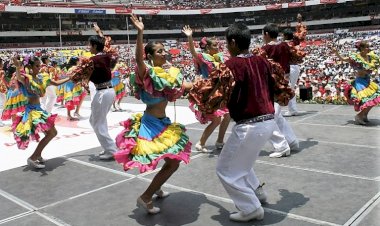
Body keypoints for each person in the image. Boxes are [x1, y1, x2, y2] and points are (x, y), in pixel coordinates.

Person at [113, 15, 192, 214]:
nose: (164, 54)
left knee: (168, 160)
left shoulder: (168, 74)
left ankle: (155, 188)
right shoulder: (145, 73)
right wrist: (140, 32)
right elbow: (138, 59)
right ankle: (146, 196)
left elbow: (185, 86)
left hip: (162, 123)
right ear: (150, 56)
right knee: (173, 163)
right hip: (151, 125)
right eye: (159, 52)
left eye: (164, 50)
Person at [216, 22, 290, 222]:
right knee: (244, 163)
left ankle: (250, 208)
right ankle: (257, 192)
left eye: (226, 43)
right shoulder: (263, 61)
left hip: (249, 125)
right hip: (268, 121)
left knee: (224, 169)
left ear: (232, 42)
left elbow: (216, 92)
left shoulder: (231, 65)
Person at [12, 56, 70, 169]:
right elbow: (19, 77)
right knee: (52, 133)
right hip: (33, 111)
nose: (40, 68)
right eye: (37, 66)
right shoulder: (27, 79)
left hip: (38, 109)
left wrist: (70, 78)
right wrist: (18, 67)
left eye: (40, 65)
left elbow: (56, 83)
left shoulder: (41, 78)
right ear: (30, 67)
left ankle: (37, 155)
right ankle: (33, 157)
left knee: (50, 133)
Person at [182, 25, 230, 153]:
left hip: (221, 90)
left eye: (217, 45)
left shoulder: (221, 57)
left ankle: (220, 141)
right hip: (209, 92)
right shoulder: (203, 57)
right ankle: (201, 142)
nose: (217, 47)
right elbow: (192, 51)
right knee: (216, 119)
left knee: (227, 115)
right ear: (208, 48)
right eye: (214, 45)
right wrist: (190, 37)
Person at [261, 23, 299, 157]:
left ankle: (281, 146)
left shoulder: (265, 49)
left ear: (266, 34)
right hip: (284, 80)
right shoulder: (284, 46)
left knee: (269, 115)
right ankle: (292, 141)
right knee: (277, 114)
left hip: (272, 84)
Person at [332, 41, 380, 125]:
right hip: (360, 82)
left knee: (374, 100)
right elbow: (343, 59)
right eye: (366, 47)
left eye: (368, 47)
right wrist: (336, 52)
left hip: (368, 81)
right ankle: (358, 116)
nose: (368, 49)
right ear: (361, 48)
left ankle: (364, 115)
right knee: (367, 101)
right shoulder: (356, 57)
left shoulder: (370, 57)